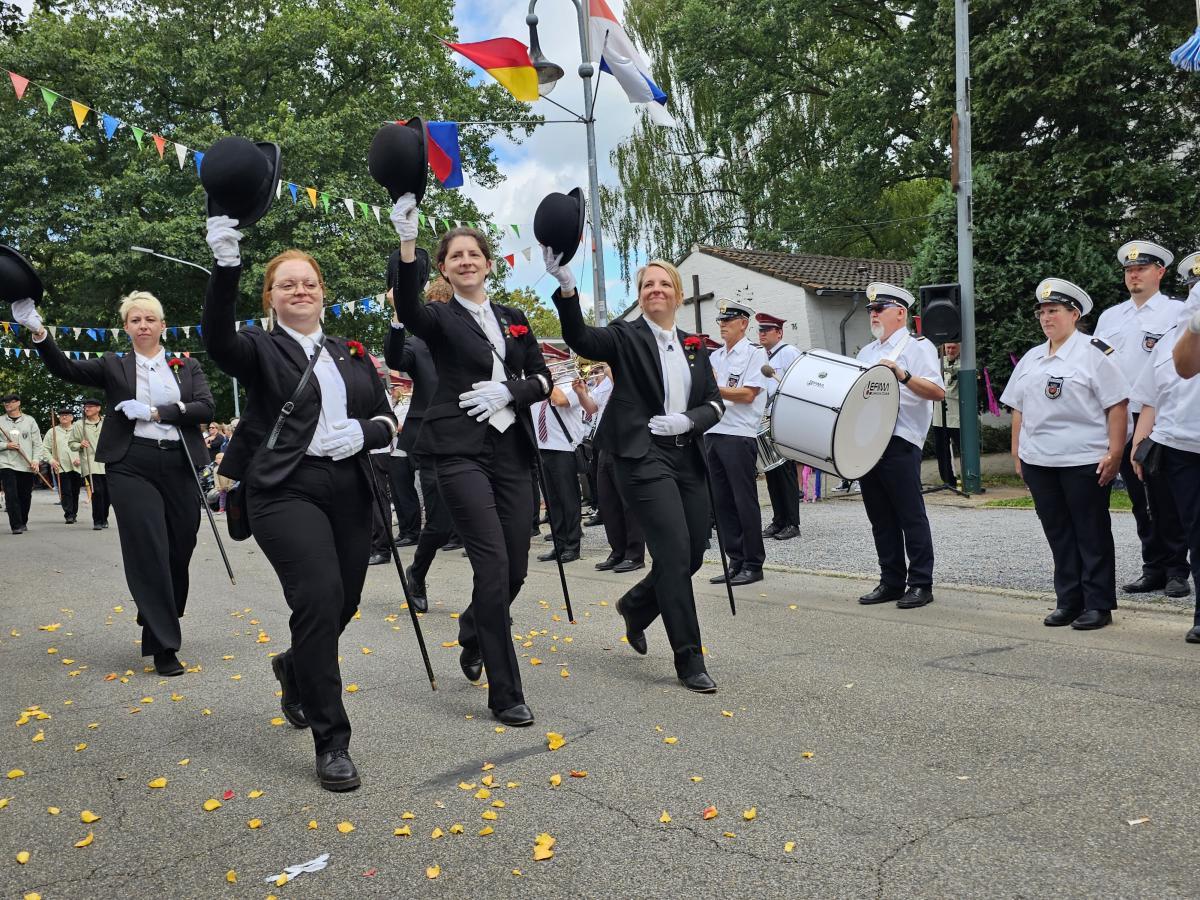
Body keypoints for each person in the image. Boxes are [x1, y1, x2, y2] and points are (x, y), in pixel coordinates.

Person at [202, 216, 397, 792]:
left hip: (350, 486)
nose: (300, 291)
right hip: (284, 489)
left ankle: (294, 667)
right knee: (318, 596)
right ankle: (332, 739)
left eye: (308, 282)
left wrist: (367, 432)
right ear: (271, 297)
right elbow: (216, 338)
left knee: (345, 601)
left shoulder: (351, 352)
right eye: (286, 284)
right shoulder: (258, 348)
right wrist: (225, 264)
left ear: (321, 292)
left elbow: (387, 417)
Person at [391, 196, 552, 727]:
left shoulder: (515, 319)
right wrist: (407, 241)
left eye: (473, 253)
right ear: (444, 268)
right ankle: (505, 693)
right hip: (458, 452)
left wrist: (511, 391)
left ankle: (472, 628)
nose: (465, 261)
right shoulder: (438, 316)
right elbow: (409, 310)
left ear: (487, 262)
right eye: (454, 256)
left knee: (516, 569)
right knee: (492, 563)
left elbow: (543, 381)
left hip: (511, 451)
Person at [547, 250, 725, 693]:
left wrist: (688, 421)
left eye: (663, 284)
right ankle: (690, 659)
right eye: (648, 285)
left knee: (693, 555)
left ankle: (636, 604)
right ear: (641, 296)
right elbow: (583, 339)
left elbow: (715, 404)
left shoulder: (695, 346)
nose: (655, 290)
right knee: (671, 552)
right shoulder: (624, 336)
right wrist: (568, 289)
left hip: (686, 455)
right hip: (642, 456)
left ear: (677, 295)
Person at [14, 291, 213, 675]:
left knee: (180, 544)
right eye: (135, 320)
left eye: (150, 319)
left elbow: (205, 407)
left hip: (179, 462)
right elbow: (65, 369)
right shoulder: (113, 365)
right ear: (126, 327)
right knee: (148, 546)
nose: (143, 325)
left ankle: (157, 609)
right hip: (130, 463)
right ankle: (163, 644)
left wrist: (157, 411)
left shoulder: (186, 367)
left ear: (162, 326)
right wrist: (39, 332)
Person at [1001, 279, 1129, 630]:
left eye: (1053, 310)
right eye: (1042, 312)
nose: (1046, 318)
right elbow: (1018, 408)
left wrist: (1115, 452)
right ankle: (1069, 600)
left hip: (1083, 460)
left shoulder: (1095, 352)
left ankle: (1098, 604)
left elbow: (1117, 405)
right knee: (1058, 532)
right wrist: (1018, 453)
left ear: (1075, 314)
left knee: (1091, 532)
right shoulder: (1032, 357)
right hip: (1040, 461)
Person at [1094, 241, 1189, 598]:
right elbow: (1099, 367)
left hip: (1159, 414)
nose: (1133, 274)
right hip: (1120, 414)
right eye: (1129, 270)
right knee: (1138, 497)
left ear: (1160, 273)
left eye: (1142, 269)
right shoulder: (1111, 317)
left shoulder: (1175, 313)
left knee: (1166, 495)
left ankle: (1177, 569)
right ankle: (1153, 567)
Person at [854, 282, 946, 610]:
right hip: (868, 442)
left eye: (880, 309)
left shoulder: (917, 347)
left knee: (910, 515)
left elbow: (937, 391)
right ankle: (891, 580)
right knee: (880, 516)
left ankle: (921, 583)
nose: (874, 314)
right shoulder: (866, 353)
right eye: (871, 310)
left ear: (900, 313)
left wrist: (903, 375)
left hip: (900, 440)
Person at [383, 273, 458, 614]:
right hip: (429, 439)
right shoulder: (416, 344)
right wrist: (398, 315)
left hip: (472, 437)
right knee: (440, 524)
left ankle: (493, 597)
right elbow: (395, 359)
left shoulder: (468, 340)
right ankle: (418, 572)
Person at [705, 300, 770, 586]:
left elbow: (748, 395)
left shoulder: (755, 354)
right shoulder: (715, 356)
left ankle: (753, 563)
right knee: (722, 502)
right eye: (720, 320)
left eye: (728, 320)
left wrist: (714, 390)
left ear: (743, 323)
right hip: (714, 432)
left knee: (744, 501)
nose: (722, 324)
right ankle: (735, 560)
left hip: (738, 434)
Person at [533, 370, 596, 564]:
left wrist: (541, 379)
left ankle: (572, 546)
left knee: (568, 500)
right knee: (552, 502)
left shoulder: (569, 381)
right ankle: (559, 545)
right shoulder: (537, 385)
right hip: (542, 448)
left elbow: (560, 400)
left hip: (563, 450)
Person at [591, 365, 647, 573]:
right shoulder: (605, 380)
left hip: (626, 442)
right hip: (606, 441)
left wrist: (612, 372)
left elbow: (630, 390)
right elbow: (591, 407)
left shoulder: (629, 371)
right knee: (608, 501)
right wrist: (580, 392)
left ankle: (635, 555)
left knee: (628, 503)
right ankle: (617, 551)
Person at [756, 313, 803, 540]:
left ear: (779, 333)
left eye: (767, 329)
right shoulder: (761, 356)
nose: (762, 333)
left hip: (783, 416)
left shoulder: (789, 353)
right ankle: (778, 520)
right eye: (760, 330)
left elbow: (798, 383)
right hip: (766, 417)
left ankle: (792, 523)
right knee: (771, 471)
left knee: (785, 470)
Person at [0, 392, 42, 534]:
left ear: (18, 403)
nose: (7, 404)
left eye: (10, 401)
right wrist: (6, 446)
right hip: (6, 463)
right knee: (11, 495)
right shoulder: (0, 421)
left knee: (25, 495)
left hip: (26, 463)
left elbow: (37, 443)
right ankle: (16, 525)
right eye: (5, 402)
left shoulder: (29, 421)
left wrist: (35, 460)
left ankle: (22, 520)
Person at [387, 384, 421, 546]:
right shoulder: (393, 405)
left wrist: (387, 423)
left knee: (406, 495)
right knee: (397, 496)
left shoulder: (406, 406)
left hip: (401, 454)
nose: (392, 391)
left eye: (394, 388)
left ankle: (413, 532)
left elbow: (403, 428)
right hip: (391, 454)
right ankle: (404, 530)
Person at [70, 398, 109, 529]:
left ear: (98, 408)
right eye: (85, 407)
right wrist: (80, 444)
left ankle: (104, 518)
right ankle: (97, 521)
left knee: (107, 493)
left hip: (108, 462)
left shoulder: (107, 423)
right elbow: (71, 443)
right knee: (97, 491)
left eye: (91, 407)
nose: (87, 409)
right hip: (90, 462)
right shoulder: (79, 424)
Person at [42, 407, 82, 524]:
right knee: (65, 490)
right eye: (62, 415)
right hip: (60, 466)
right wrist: (51, 460)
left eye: (67, 415)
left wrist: (80, 459)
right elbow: (44, 449)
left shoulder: (78, 429)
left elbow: (85, 445)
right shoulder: (52, 431)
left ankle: (74, 512)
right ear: (58, 417)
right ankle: (69, 514)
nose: (64, 416)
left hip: (77, 466)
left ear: (72, 417)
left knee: (75, 491)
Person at [931, 341, 961, 488]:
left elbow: (955, 371)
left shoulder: (964, 363)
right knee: (942, 450)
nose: (950, 350)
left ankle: (968, 478)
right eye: (947, 347)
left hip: (958, 415)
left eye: (953, 348)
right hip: (939, 415)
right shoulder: (937, 363)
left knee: (963, 449)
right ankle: (948, 481)